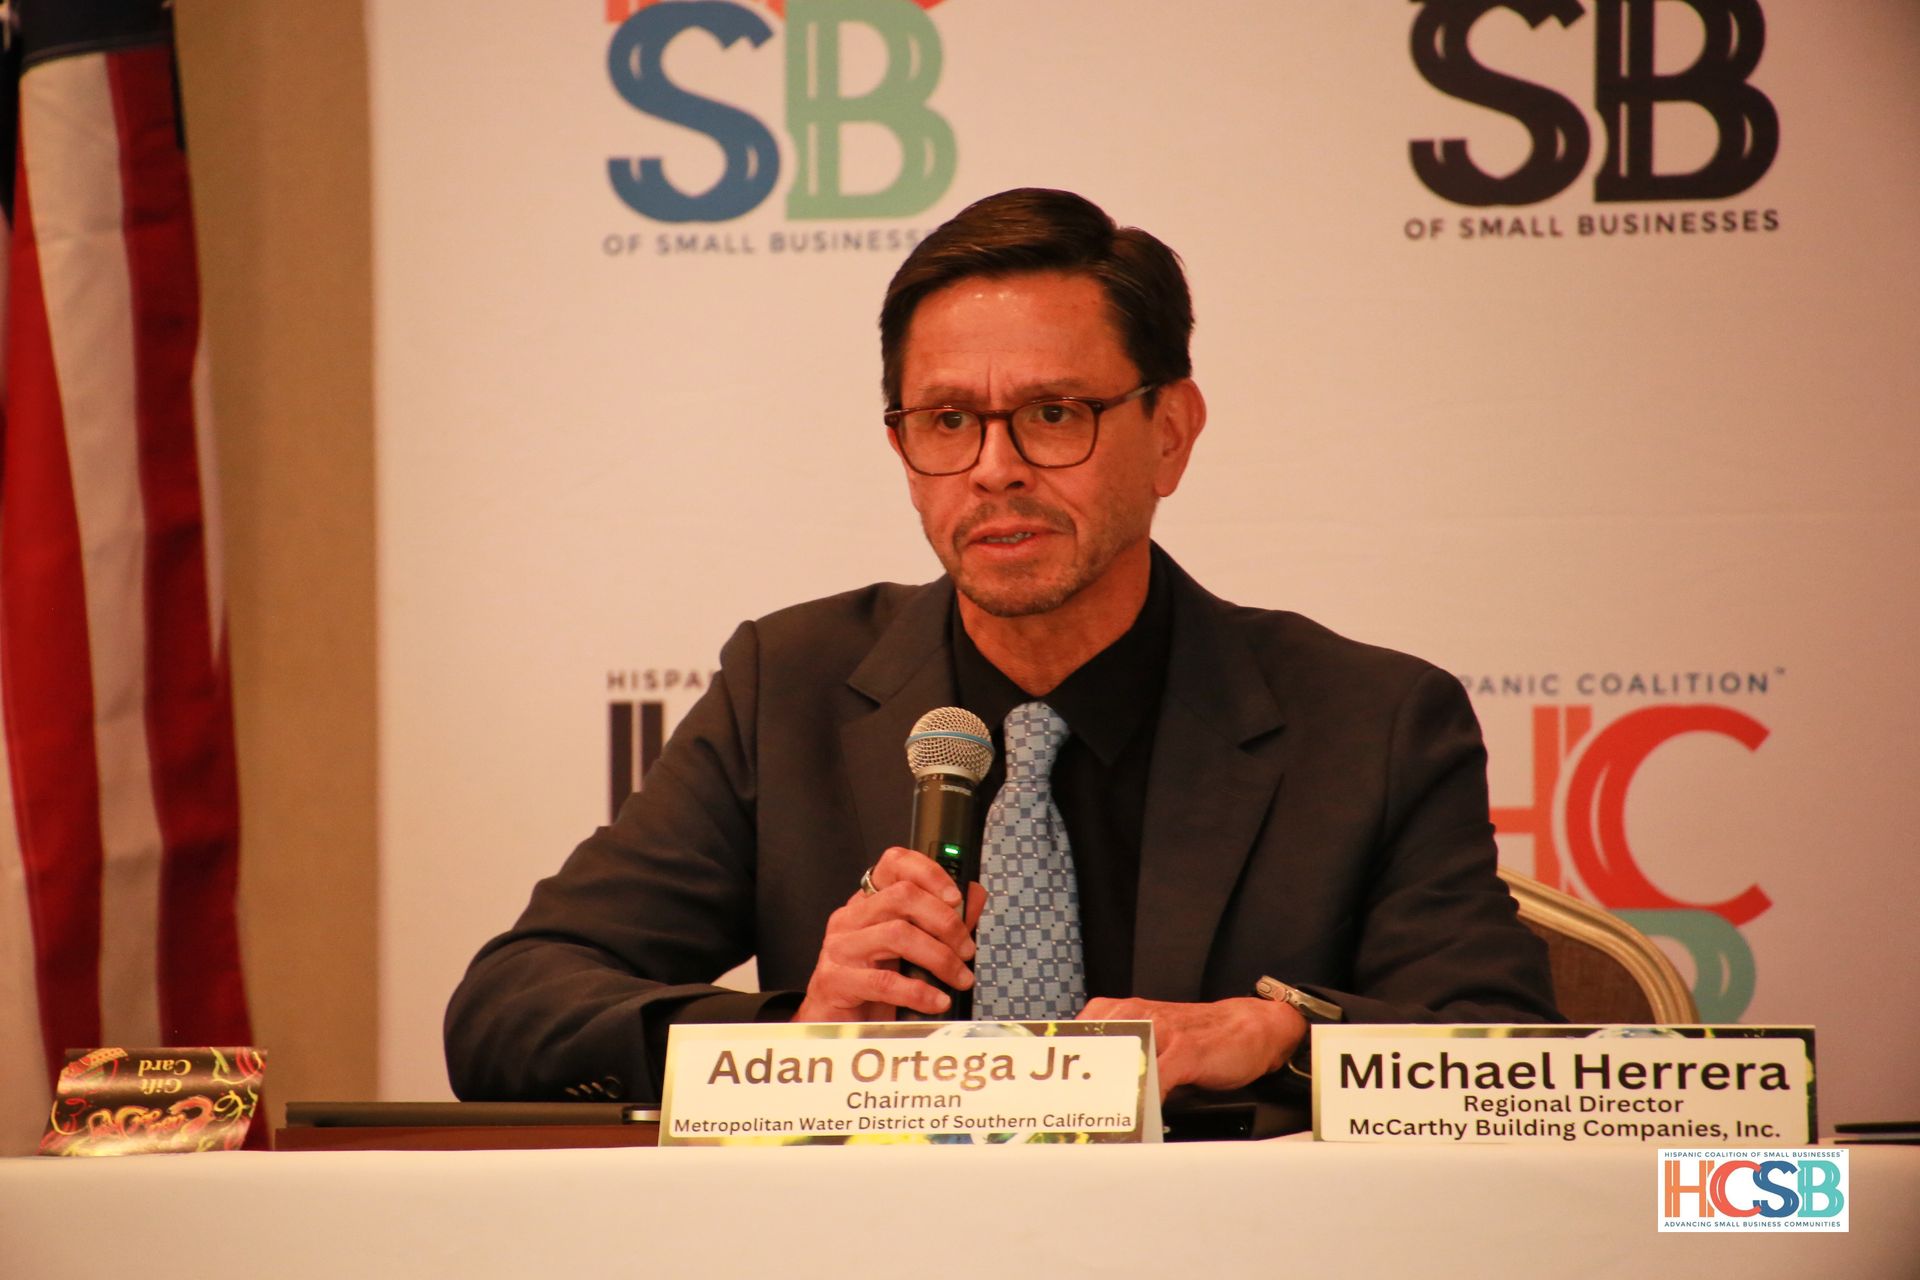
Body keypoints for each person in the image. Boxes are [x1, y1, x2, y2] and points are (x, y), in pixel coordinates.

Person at [444, 188, 1557, 1107]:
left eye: (1054, 413)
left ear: (1169, 433)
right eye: (946, 421)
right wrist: (796, 1035)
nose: (993, 468)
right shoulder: (785, 688)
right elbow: (510, 1007)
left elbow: (1503, 1056)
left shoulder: (1370, 723)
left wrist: (1280, 1032)